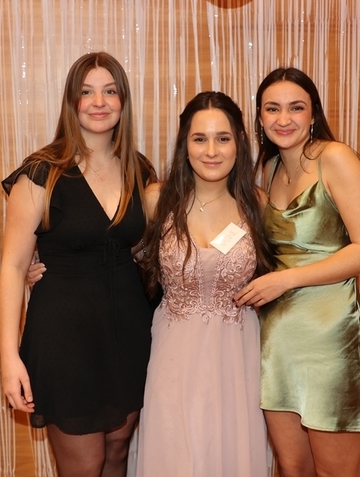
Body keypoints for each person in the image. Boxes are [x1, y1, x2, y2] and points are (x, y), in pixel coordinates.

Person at [0, 52, 155, 477]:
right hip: (64, 338)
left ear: (123, 100)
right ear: (72, 102)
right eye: (87, 92)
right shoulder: (42, 172)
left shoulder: (140, 169)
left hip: (128, 332)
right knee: (85, 465)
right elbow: (12, 267)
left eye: (109, 91)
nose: (99, 102)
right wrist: (9, 358)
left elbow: (145, 248)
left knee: (117, 454)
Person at [233, 68, 360, 477]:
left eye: (296, 108)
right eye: (272, 109)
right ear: (260, 118)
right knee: (291, 468)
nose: (284, 119)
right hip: (278, 340)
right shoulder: (267, 170)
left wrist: (286, 279)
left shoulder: (335, 158)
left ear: (313, 113)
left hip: (330, 337)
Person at [134, 91, 276, 477]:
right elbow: (109, 253)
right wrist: (42, 262)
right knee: (174, 448)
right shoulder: (156, 199)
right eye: (200, 139)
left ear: (239, 142)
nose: (211, 151)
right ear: (185, 144)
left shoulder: (258, 203)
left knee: (230, 449)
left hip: (236, 352)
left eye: (222, 138)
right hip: (174, 350)